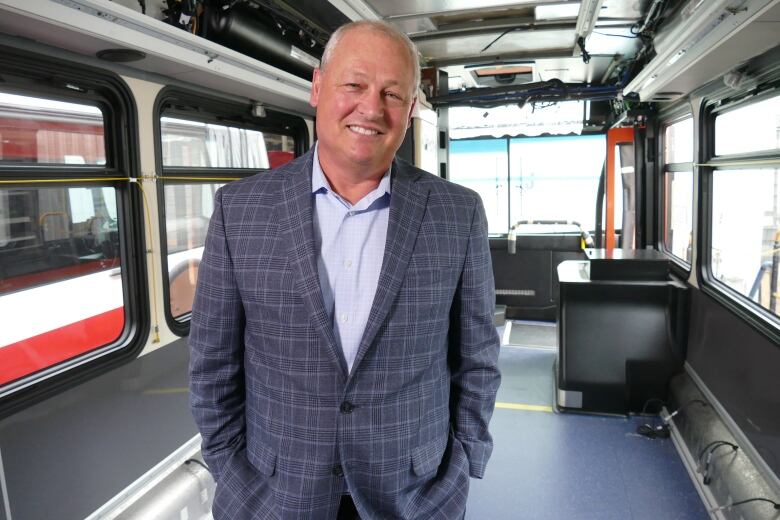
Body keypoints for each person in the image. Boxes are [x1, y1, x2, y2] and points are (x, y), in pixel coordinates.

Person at [189, 20, 501, 520]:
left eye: (392, 93)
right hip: (273, 494)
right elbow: (212, 362)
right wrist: (228, 466)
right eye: (354, 85)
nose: (371, 108)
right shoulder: (240, 210)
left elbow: (478, 356)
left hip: (415, 494)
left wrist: (463, 463)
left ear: (412, 108)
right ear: (317, 87)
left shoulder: (457, 213)